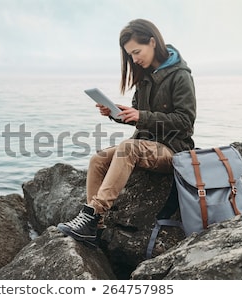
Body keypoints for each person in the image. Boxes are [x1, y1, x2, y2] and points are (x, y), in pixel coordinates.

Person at [57, 19, 196, 246]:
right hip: (145, 144)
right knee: (98, 158)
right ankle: (95, 230)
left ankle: (92, 214)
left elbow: (185, 122)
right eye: (130, 55)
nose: (134, 59)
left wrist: (141, 116)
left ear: (153, 42)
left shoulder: (180, 76)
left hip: (173, 149)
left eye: (137, 52)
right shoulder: (145, 76)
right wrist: (115, 113)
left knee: (127, 148)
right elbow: (138, 117)